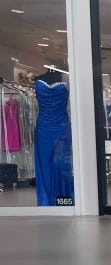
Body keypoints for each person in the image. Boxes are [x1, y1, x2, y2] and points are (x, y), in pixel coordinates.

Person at [34, 68, 74, 205]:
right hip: (48, 126)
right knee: (44, 162)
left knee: (62, 163)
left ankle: (62, 199)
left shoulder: (65, 79)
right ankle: (48, 199)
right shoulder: (41, 79)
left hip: (58, 126)